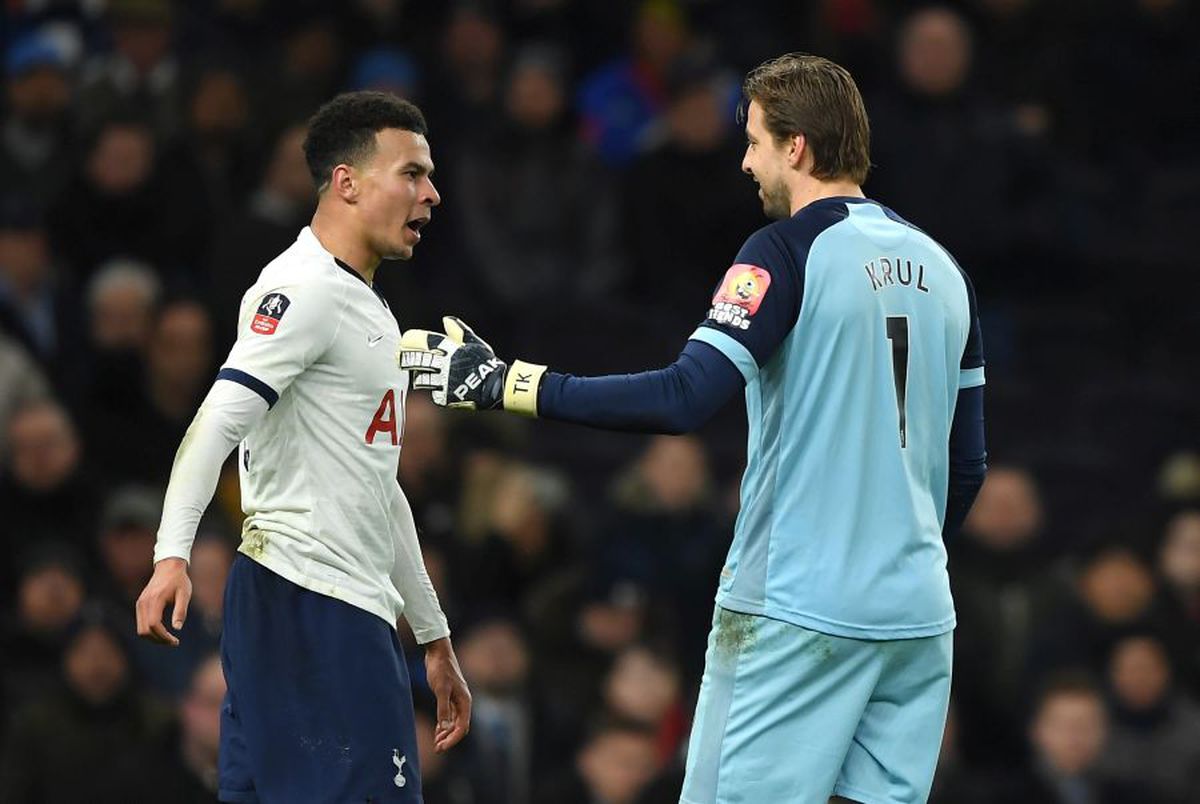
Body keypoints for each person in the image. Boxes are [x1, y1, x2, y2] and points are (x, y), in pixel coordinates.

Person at [403, 53, 987, 803]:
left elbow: (683, 397)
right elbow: (967, 467)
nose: (745, 162)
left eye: (753, 141)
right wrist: (898, 562)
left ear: (796, 147)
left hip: (797, 608)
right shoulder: (946, 270)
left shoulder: (785, 250)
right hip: (917, 617)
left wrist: (508, 384)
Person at [135, 91, 470, 802]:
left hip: (319, 604)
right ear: (347, 182)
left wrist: (433, 635)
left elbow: (377, 485)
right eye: (411, 173)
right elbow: (216, 421)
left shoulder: (367, 306)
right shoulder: (303, 289)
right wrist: (172, 556)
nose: (431, 194)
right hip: (313, 601)